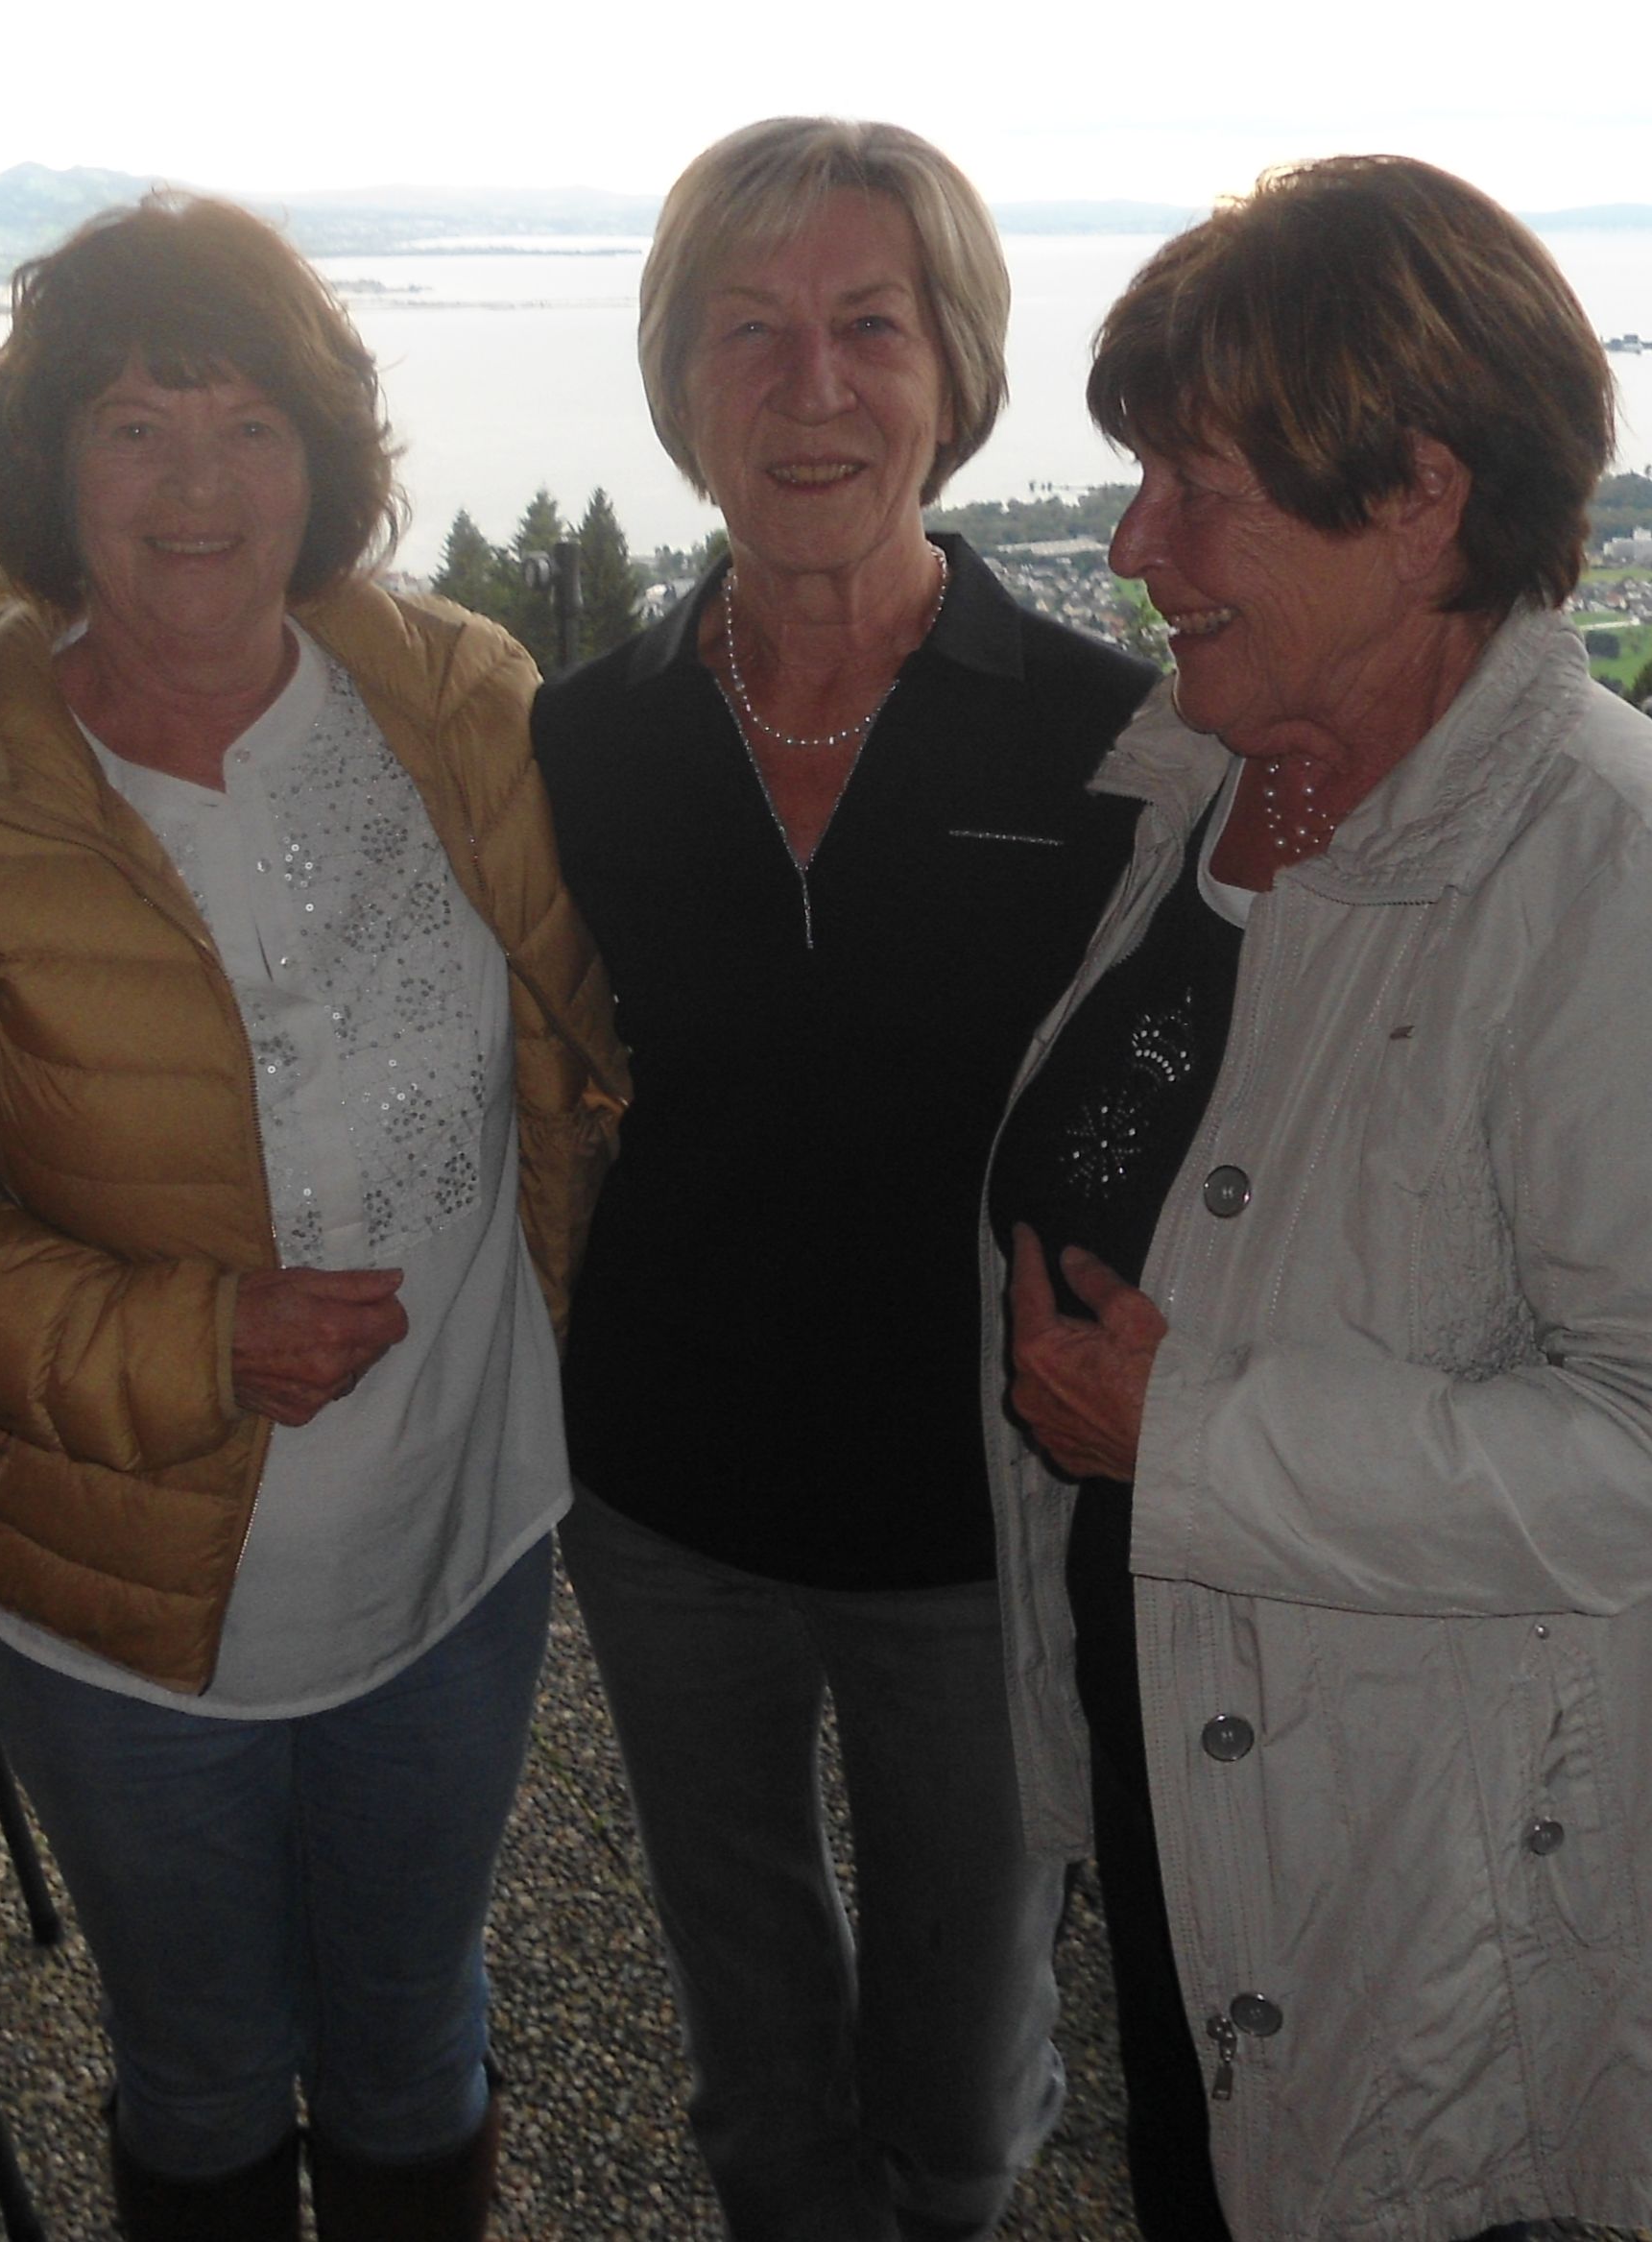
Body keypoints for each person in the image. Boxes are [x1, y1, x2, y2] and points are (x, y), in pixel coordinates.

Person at [986, 156, 1652, 2242]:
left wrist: (1188, 1438)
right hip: (1212, 1792)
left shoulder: (1628, 886)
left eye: (1196, 489)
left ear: (1419, 501)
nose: (1132, 544)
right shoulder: (1210, 777)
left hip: (1457, 1899)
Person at [0, 193, 625, 2242]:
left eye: (247, 423)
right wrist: (197, 1339)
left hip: (460, 1544)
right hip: (129, 1608)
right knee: (202, 2075)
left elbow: (602, 1037)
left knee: (416, 2043)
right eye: (135, 425)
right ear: (45, 469)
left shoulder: (458, 703)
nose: (195, 486)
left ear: (319, 460)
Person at [532, 117, 1156, 2242]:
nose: (812, 389)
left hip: (979, 1509)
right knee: (757, 2064)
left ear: (954, 370)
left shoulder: (1108, 740)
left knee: (962, 2094)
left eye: (868, 327)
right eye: (750, 331)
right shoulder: (584, 741)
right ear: (678, 379)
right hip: (663, 1496)